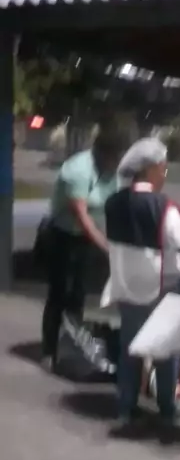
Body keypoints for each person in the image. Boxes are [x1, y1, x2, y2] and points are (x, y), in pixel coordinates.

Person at [104, 137, 180, 438]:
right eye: (163, 169)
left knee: (130, 348)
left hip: (125, 283)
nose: (164, 175)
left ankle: (126, 406)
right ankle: (166, 407)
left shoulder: (114, 202)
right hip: (158, 287)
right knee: (166, 347)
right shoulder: (163, 205)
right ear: (150, 169)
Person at [41, 124, 123, 370]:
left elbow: (112, 208)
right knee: (58, 294)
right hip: (62, 236)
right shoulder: (78, 170)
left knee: (78, 295)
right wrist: (106, 247)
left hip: (86, 239)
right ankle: (49, 351)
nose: (118, 163)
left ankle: (70, 348)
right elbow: (81, 215)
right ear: (104, 153)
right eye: (116, 157)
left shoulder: (112, 173)